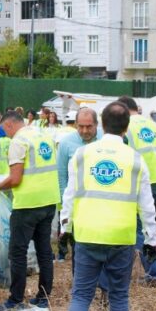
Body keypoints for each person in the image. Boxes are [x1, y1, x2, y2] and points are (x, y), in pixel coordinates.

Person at [58, 101, 156, 311]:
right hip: (121, 237)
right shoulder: (135, 159)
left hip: (87, 235)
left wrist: (64, 227)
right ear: (127, 127)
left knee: (80, 296)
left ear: (101, 124)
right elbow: (147, 205)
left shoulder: (81, 154)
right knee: (119, 297)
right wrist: (151, 238)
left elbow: (70, 193)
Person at [0, 110, 58, 310]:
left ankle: (15, 299)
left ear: (9, 125)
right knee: (44, 251)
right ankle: (44, 297)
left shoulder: (18, 141)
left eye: (4, 130)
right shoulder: (44, 135)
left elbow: (15, 179)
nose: (5, 134)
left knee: (17, 252)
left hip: (27, 203)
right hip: (49, 200)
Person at [121, 96, 156, 284]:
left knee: (140, 229)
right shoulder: (155, 125)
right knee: (151, 226)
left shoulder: (126, 128)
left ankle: (154, 273)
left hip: (142, 182)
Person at [56, 108, 100, 260]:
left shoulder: (105, 139)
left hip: (100, 204)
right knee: (79, 249)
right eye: (80, 126)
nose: (85, 130)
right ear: (75, 124)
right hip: (78, 205)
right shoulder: (66, 143)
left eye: (89, 126)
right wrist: (64, 205)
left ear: (97, 124)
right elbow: (61, 176)